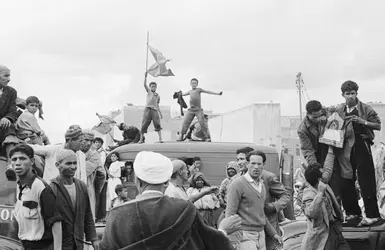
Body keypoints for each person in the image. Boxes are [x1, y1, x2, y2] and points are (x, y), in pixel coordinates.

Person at [100, 151, 241, 250]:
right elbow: (209, 241)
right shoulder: (184, 209)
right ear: (167, 182)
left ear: (137, 181)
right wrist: (223, 229)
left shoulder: (117, 214)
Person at [334, 80, 381, 226]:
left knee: (366, 180)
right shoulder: (338, 109)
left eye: (353, 93)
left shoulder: (365, 109)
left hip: (361, 146)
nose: (350, 96)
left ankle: (373, 215)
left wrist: (363, 122)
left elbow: (378, 125)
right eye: (347, 94)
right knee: (346, 180)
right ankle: (353, 213)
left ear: (356, 94)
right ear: (342, 94)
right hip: (344, 148)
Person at [226, 150, 282, 250]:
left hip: (261, 234)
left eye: (259, 164)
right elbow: (230, 215)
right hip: (244, 235)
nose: (256, 167)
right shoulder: (237, 184)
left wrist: (274, 234)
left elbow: (261, 214)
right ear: (247, 164)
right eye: (253, 163)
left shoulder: (262, 186)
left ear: (263, 165)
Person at [11, 144, 63, 250]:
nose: (17, 163)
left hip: (41, 246)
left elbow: (55, 222)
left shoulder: (41, 187)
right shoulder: (19, 186)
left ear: (32, 161)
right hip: (24, 245)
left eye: (22, 159)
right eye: (14, 159)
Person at [50, 149, 99, 250]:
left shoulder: (81, 187)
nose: (73, 167)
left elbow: (87, 215)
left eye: (75, 163)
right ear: (57, 165)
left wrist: (93, 239)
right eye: (68, 163)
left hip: (78, 243)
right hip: (60, 244)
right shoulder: (51, 189)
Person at [301, 163, 350, 250]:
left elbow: (329, 167)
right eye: (322, 174)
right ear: (319, 179)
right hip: (323, 235)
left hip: (335, 228)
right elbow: (311, 213)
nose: (325, 175)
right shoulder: (308, 194)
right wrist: (319, 194)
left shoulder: (326, 187)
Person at [81, 129, 106, 222]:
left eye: (91, 141)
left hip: (92, 181)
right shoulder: (76, 151)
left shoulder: (94, 154)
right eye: (86, 140)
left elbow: (84, 171)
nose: (88, 143)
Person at [297, 100, 328, 166]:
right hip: (317, 155)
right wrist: (315, 167)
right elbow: (308, 150)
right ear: (307, 114)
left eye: (320, 116)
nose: (318, 119)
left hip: (331, 152)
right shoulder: (302, 130)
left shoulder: (327, 112)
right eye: (315, 117)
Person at [0, 65, 19, 162]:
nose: (9, 79)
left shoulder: (11, 92)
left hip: (2, 127)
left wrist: (7, 118)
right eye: (6, 76)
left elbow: (13, 110)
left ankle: (11, 162)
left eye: (9, 76)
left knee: (9, 126)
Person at [139, 72, 163, 143]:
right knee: (144, 124)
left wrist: (160, 113)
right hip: (148, 109)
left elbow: (157, 105)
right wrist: (145, 77)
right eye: (152, 86)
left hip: (154, 110)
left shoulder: (157, 95)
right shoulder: (149, 92)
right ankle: (141, 139)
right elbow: (144, 85)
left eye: (154, 86)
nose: (153, 88)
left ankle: (160, 138)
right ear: (150, 87)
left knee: (157, 124)